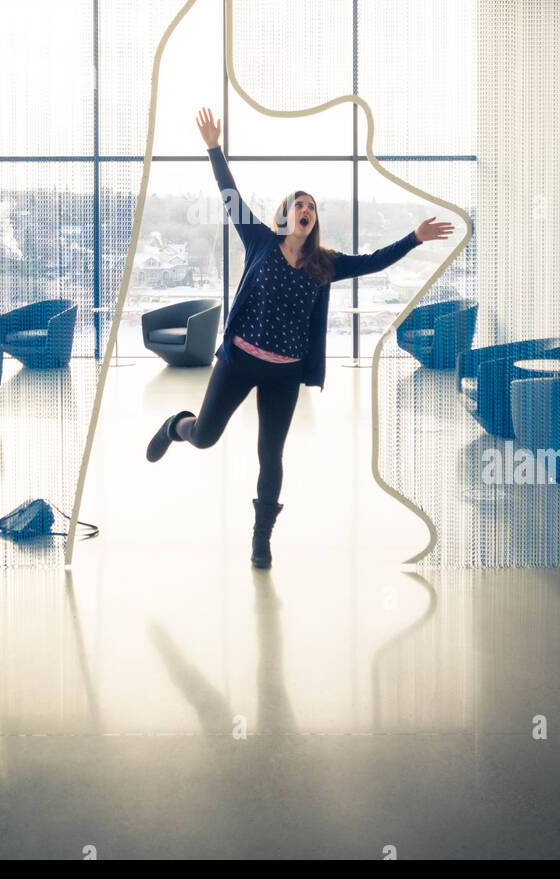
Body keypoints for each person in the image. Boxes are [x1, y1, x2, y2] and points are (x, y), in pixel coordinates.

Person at [146, 107, 454, 568]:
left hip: (283, 374)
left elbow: (373, 261)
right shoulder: (260, 243)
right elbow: (229, 197)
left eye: (311, 206)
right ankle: (176, 426)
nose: (306, 210)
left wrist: (413, 237)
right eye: (299, 204)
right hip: (237, 362)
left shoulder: (325, 263)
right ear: (284, 215)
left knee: (271, 455)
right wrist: (213, 147)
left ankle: (261, 538)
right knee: (206, 437)